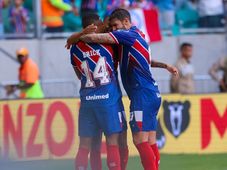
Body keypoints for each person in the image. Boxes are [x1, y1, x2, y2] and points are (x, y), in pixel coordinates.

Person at [66, 8, 178, 170]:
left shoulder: (77, 48)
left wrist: (74, 37)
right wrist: (165, 65)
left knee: (90, 146)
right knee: (130, 141)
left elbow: (80, 71)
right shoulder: (122, 41)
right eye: (108, 26)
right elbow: (145, 59)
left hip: (103, 99)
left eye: (114, 25)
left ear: (126, 22)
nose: (111, 28)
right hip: (121, 98)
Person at [70, 13, 124, 170]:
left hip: (87, 102)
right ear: (94, 26)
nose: (104, 26)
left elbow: (79, 75)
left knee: (85, 146)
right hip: (108, 100)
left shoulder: (74, 48)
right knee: (112, 143)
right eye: (101, 24)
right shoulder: (107, 44)